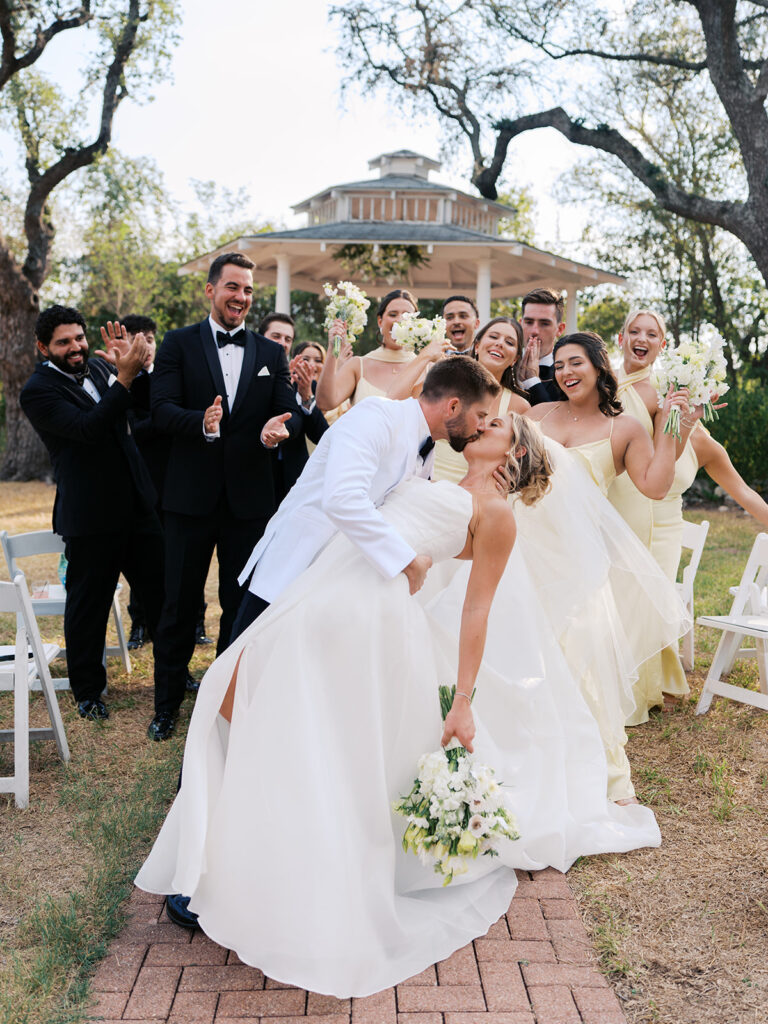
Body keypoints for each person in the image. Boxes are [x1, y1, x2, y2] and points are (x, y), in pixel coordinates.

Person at [136, 407, 663, 996]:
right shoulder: (431, 478)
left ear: (513, 456)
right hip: (320, 604)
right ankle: (235, 863)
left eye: (496, 429)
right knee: (231, 697)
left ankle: (279, 881)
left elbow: (477, 609)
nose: (484, 425)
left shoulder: (494, 515)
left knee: (305, 737)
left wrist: (462, 701)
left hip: (368, 628)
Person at [526, 331, 693, 801]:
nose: (565, 373)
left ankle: (591, 773)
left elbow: (656, 485)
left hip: (578, 563)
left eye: (575, 362)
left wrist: (678, 424)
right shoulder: (536, 415)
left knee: (579, 662)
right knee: (526, 655)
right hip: (522, 553)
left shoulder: (624, 429)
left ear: (600, 366)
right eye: (558, 365)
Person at [147, 253, 303, 742]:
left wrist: (276, 432)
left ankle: (222, 706)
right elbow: (159, 409)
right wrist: (200, 422)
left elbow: (288, 414)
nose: (241, 297)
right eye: (232, 287)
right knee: (178, 605)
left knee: (239, 607)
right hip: (189, 498)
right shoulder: (178, 343)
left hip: (248, 502)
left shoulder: (269, 353)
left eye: (248, 290)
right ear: (211, 290)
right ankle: (167, 706)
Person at [232, 356, 500, 638]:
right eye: (481, 415)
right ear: (453, 406)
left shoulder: (426, 445)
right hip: (295, 562)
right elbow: (343, 499)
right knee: (242, 667)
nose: (482, 426)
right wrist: (407, 560)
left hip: (335, 579)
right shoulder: (376, 417)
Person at [609, 308, 768, 721]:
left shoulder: (703, 442)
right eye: (634, 331)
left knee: (646, 601)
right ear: (622, 337)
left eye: (652, 333)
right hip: (617, 517)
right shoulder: (623, 396)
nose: (642, 338)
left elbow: (746, 494)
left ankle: (636, 688)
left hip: (663, 531)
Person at [20, 306, 164, 721]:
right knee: (88, 606)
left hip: (137, 504)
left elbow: (137, 407)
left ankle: (174, 672)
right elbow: (88, 429)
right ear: (43, 347)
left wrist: (138, 369)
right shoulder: (38, 390)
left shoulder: (102, 371)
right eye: (64, 342)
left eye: (79, 338)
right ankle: (87, 691)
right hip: (91, 514)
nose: (76, 347)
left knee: (161, 593)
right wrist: (123, 376)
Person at [315, 288, 419, 410]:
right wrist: (332, 349)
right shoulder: (358, 366)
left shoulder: (428, 367)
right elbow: (325, 403)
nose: (400, 320)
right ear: (380, 321)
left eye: (407, 315)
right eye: (393, 314)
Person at [272, 341, 329, 502]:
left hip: (298, 473)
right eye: (306, 359)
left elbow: (320, 434)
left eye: (318, 360)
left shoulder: (320, 391)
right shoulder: (280, 382)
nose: (312, 364)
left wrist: (307, 397)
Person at [517, 287, 567, 405]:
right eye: (529, 322)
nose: (534, 331)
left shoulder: (567, 373)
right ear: (520, 324)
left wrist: (532, 381)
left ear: (560, 329)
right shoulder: (503, 363)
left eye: (544, 324)